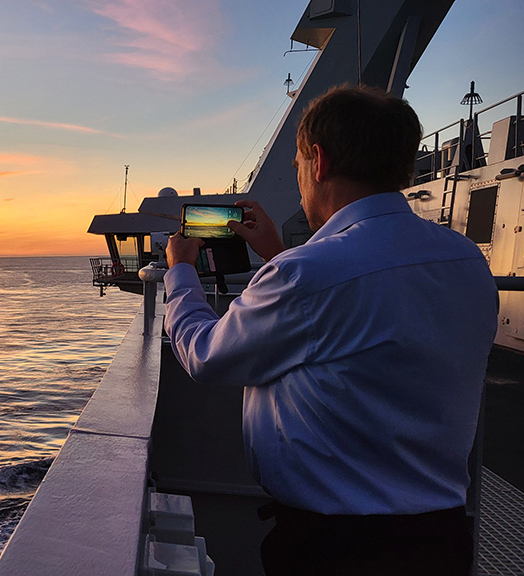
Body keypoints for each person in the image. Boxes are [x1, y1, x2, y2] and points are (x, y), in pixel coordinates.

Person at [163, 85, 498, 575]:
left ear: (317, 161)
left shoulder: (308, 274)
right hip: (441, 538)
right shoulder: (465, 259)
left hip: (337, 549)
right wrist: (279, 255)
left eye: (298, 166)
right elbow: (365, 321)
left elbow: (205, 355)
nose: (300, 179)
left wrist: (180, 271)